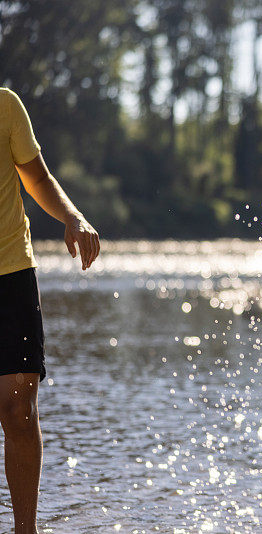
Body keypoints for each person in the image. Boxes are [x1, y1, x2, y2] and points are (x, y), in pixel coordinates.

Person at [0, 87, 100, 533]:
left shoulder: (6, 105)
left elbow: (36, 178)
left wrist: (72, 217)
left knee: (19, 409)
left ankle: (26, 531)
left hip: (11, 271)